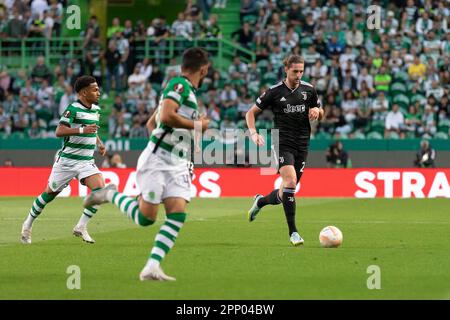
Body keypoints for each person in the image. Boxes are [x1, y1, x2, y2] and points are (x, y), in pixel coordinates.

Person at [82, 48, 210, 281]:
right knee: (146, 219)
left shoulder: (186, 91)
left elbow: (153, 123)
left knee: (177, 214)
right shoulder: (179, 86)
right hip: (158, 160)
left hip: (177, 163)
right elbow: (168, 117)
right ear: (203, 69)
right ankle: (109, 194)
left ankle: (152, 266)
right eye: (206, 72)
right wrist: (197, 126)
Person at [245, 55, 324, 246]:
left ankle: (260, 202)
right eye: (295, 71)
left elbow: (320, 112)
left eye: (301, 71)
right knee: (290, 181)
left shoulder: (309, 90)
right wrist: (253, 133)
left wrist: (317, 113)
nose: (298, 75)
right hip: (282, 142)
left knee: (285, 193)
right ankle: (293, 232)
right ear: (286, 69)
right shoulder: (273, 92)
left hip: (303, 143)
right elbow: (250, 113)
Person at [20, 76, 107, 245]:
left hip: (86, 161)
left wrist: (99, 143)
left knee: (100, 191)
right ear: (83, 92)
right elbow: (59, 131)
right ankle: (27, 224)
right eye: (95, 89)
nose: (99, 92)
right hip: (67, 162)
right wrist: (82, 130)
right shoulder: (72, 109)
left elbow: (92, 129)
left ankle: (81, 227)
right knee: (48, 195)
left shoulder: (96, 110)